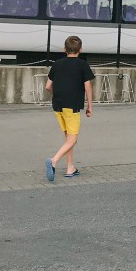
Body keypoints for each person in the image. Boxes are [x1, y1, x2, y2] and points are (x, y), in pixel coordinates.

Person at [44, 35, 94, 181]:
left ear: (64, 49)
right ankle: (53, 161)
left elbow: (48, 86)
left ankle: (70, 167)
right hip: (72, 106)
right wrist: (90, 106)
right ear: (81, 49)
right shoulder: (82, 65)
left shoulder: (57, 64)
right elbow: (88, 86)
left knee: (68, 138)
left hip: (58, 105)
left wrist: (57, 94)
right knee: (73, 140)